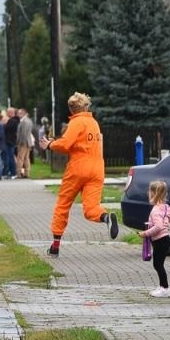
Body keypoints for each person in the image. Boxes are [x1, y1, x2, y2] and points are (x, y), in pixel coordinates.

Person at [44, 92, 118, 255]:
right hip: (97, 168)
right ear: (86, 106)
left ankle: (55, 245)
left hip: (78, 168)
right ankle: (106, 217)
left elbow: (65, 144)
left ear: (71, 110)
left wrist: (50, 144)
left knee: (63, 204)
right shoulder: (94, 123)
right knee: (91, 207)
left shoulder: (77, 123)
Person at [144, 180, 170, 297]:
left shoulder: (155, 210)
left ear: (153, 193)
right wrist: (167, 226)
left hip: (160, 240)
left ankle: (165, 288)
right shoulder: (167, 207)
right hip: (165, 239)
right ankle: (162, 286)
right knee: (159, 264)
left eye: (149, 191)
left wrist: (146, 233)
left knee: (158, 264)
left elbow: (158, 226)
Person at [16, 109, 35, 178]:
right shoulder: (29, 121)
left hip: (23, 142)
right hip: (28, 142)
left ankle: (18, 173)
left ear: (23, 113)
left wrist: (20, 143)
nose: (18, 115)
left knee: (20, 158)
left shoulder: (24, 121)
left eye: (19, 113)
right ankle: (27, 173)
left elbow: (23, 133)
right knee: (27, 158)